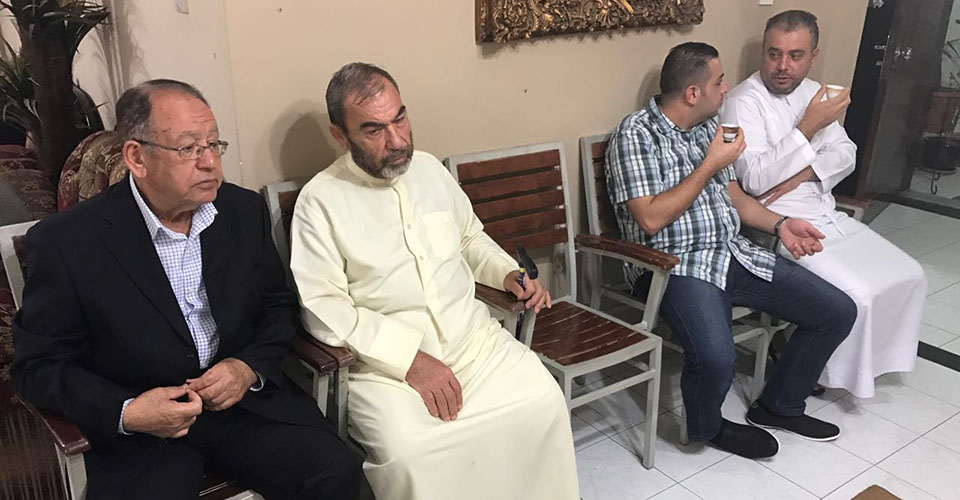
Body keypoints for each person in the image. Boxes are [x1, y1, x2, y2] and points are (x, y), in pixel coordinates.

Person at [11, 79, 361, 500]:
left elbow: (276, 305)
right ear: (136, 157)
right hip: (141, 431)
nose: (210, 163)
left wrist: (246, 368)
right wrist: (128, 412)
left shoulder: (241, 211)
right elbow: (38, 366)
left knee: (334, 471)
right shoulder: (67, 242)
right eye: (189, 148)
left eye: (214, 145)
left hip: (241, 406)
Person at [289, 62, 579, 500]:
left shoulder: (429, 170)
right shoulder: (320, 203)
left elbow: (469, 239)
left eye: (400, 118)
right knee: (412, 454)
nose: (396, 140)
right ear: (340, 136)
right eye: (374, 130)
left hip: (475, 344)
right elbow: (323, 310)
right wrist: (410, 360)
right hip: (386, 371)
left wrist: (506, 272)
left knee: (543, 401)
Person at [606, 42, 857, 459]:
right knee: (715, 357)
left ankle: (780, 405)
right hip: (674, 265)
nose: (726, 89)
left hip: (732, 252)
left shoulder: (708, 128)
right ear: (692, 93)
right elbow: (649, 219)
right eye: (719, 82)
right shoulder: (635, 134)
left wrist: (781, 225)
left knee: (836, 311)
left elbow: (735, 196)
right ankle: (707, 428)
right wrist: (709, 163)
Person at [720, 10, 926, 398]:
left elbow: (846, 153)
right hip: (779, 224)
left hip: (825, 211)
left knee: (910, 273)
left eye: (795, 55)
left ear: (813, 55)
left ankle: (868, 364)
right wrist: (808, 127)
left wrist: (800, 174)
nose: (783, 66)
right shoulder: (743, 102)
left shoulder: (814, 93)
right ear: (763, 53)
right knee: (857, 295)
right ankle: (823, 370)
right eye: (774, 54)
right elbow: (756, 180)